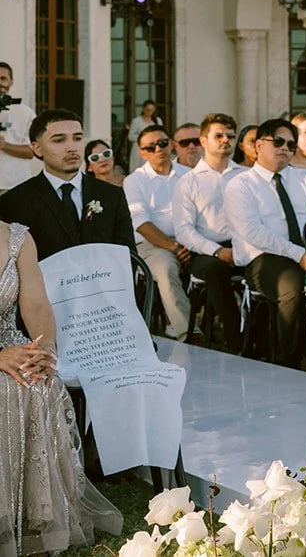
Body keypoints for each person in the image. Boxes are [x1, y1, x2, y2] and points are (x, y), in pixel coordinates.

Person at [0, 221, 123, 556]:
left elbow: (36, 305)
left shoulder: (17, 238)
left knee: (34, 380)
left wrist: (44, 350)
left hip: (11, 345)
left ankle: (35, 518)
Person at [224, 118, 306, 367]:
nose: (285, 148)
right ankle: (289, 363)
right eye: (278, 141)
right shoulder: (240, 184)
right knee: (292, 285)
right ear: (257, 145)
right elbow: (253, 231)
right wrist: (298, 254)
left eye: (290, 144)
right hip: (263, 258)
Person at [0, 111, 136, 261]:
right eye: (59, 140)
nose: (72, 148)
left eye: (77, 138)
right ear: (37, 148)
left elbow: (128, 257)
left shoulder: (111, 195)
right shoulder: (14, 202)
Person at [172, 114, 243, 350]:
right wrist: (217, 251)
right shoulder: (188, 182)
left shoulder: (246, 176)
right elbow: (183, 230)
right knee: (215, 271)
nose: (226, 140)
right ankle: (236, 342)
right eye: (219, 135)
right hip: (207, 252)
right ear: (203, 141)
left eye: (231, 136)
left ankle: (266, 338)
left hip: (246, 246)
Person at [123, 125, 191, 340]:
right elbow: (141, 223)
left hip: (191, 239)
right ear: (142, 152)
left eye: (162, 143)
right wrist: (175, 247)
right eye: (150, 147)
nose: (158, 149)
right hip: (153, 244)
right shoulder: (134, 181)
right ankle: (187, 332)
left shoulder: (189, 175)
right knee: (166, 269)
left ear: (171, 144)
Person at [0, 64, 39, 193]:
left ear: (11, 81)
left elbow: (32, 152)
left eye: (3, 78)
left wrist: (5, 145)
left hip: (15, 185)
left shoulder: (25, 113)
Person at [124, 100, 160, 167]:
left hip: (153, 149)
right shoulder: (136, 121)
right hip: (139, 149)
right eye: (147, 110)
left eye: (151, 110)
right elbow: (130, 136)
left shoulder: (158, 120)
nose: (149, 112)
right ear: (143, 109)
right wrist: (144, 137)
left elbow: (161, 135)